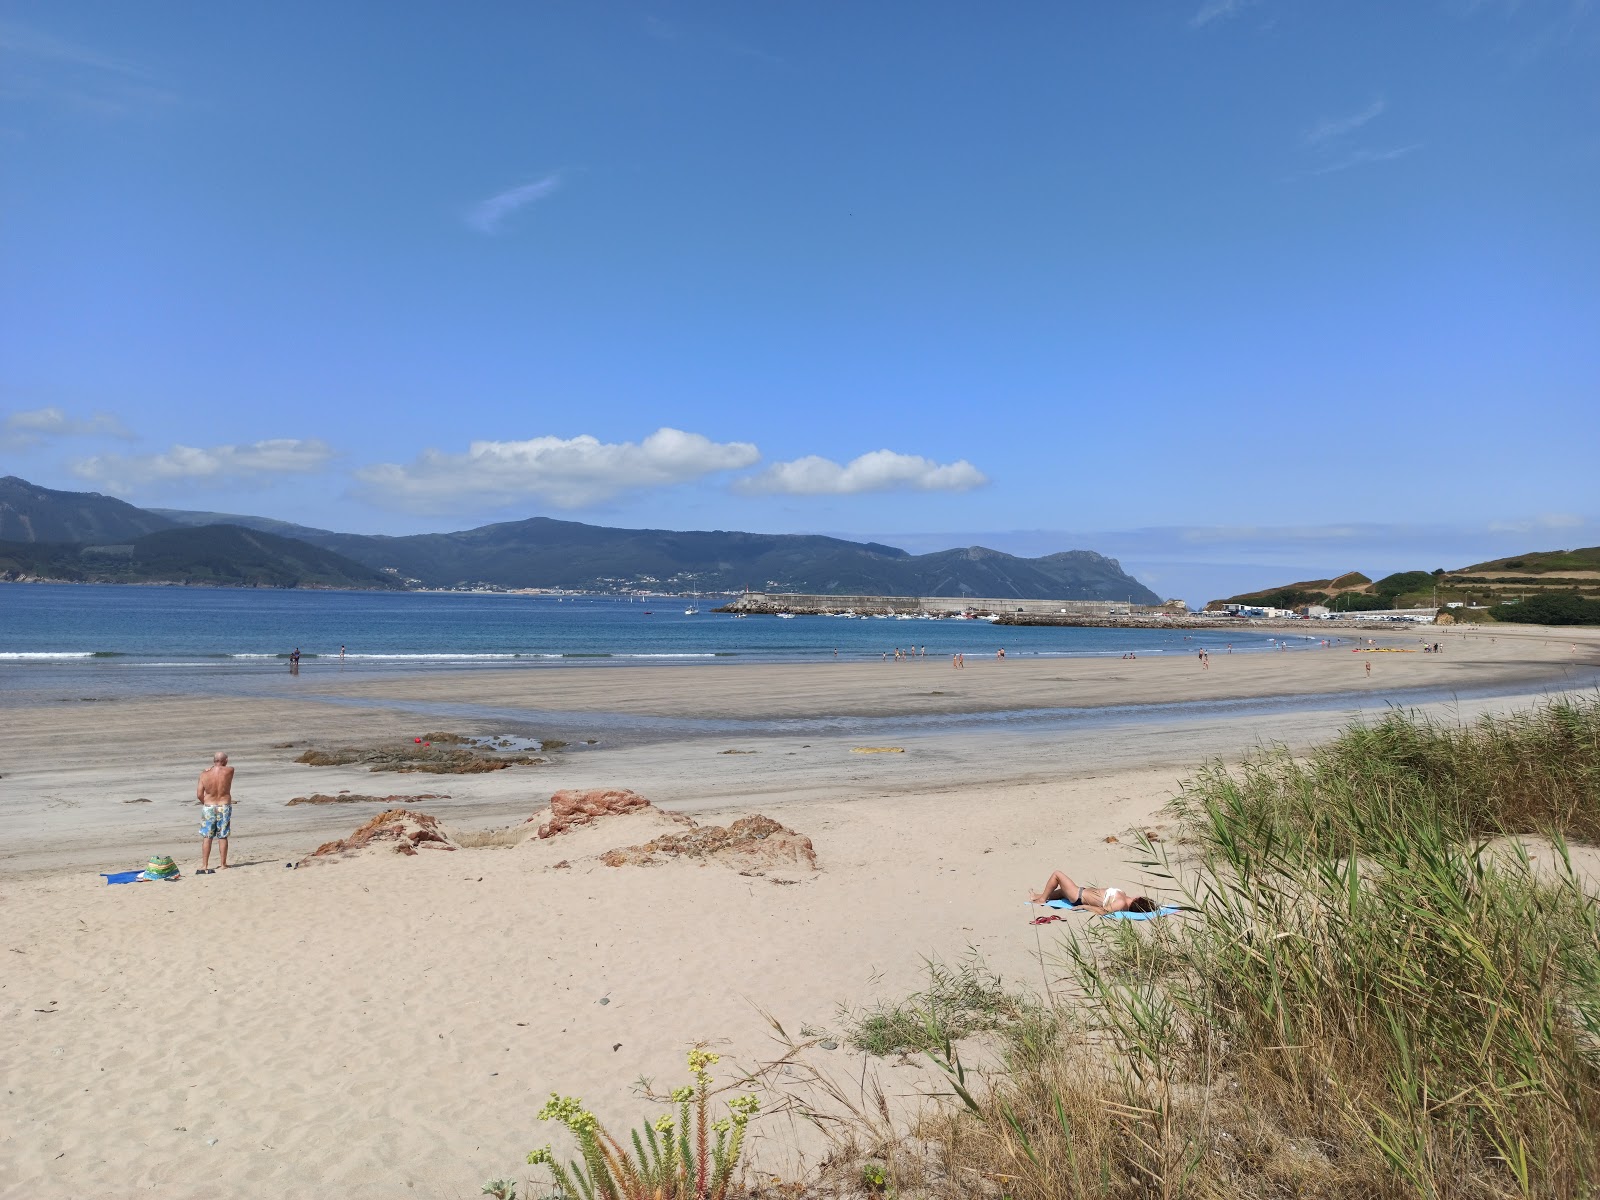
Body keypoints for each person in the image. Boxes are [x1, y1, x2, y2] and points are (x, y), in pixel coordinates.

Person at [1031, 870, 1159, 914]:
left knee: (1057, 874)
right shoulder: (1124, 897)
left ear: (1138, 899)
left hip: (1078, 896)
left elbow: (1103, 911)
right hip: (1080, 892)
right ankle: (1038, 896)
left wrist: (1084, 906)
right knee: (1060, 893)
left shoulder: (1120, 903)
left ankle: (1042, 900)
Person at [196, 752, 235, 873]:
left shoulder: (204, 774)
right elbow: (224, 768)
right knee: (222, 836)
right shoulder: (229, 770)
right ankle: (223, 864)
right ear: (226, 760)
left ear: (213, 761)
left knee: (207, 836)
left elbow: (199, 794)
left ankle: (205, 865)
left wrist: (206, 802)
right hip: (223, 805)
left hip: (209, 806)